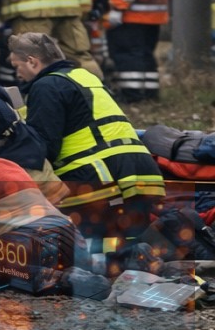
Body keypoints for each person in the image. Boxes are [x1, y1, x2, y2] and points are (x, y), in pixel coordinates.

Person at [9, 31, 163, 246]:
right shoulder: (84, 76)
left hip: (98, 176)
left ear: (33, 62)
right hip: (138, 168)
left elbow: (45, 147)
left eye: (18, 66)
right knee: (134, 247)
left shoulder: (45, 86)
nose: (17, 73)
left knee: (104, 253)